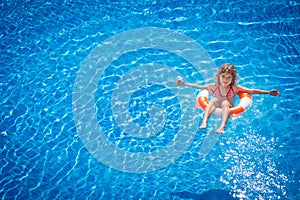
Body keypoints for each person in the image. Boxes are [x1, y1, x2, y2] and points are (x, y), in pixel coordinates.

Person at [175, 63, 280, 134]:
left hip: (228, 106)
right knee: (213, 100)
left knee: (225, 102)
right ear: (219, 77)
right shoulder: (214, 86)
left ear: (233, 79)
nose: (225, 80)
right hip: (216, 104)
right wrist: (184, 83)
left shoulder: (234, 88)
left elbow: (251, 91)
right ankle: (204, 121)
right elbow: (198, 86)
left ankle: (222, 126)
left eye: (229, 78)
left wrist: (268, 92)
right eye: (223, 77)